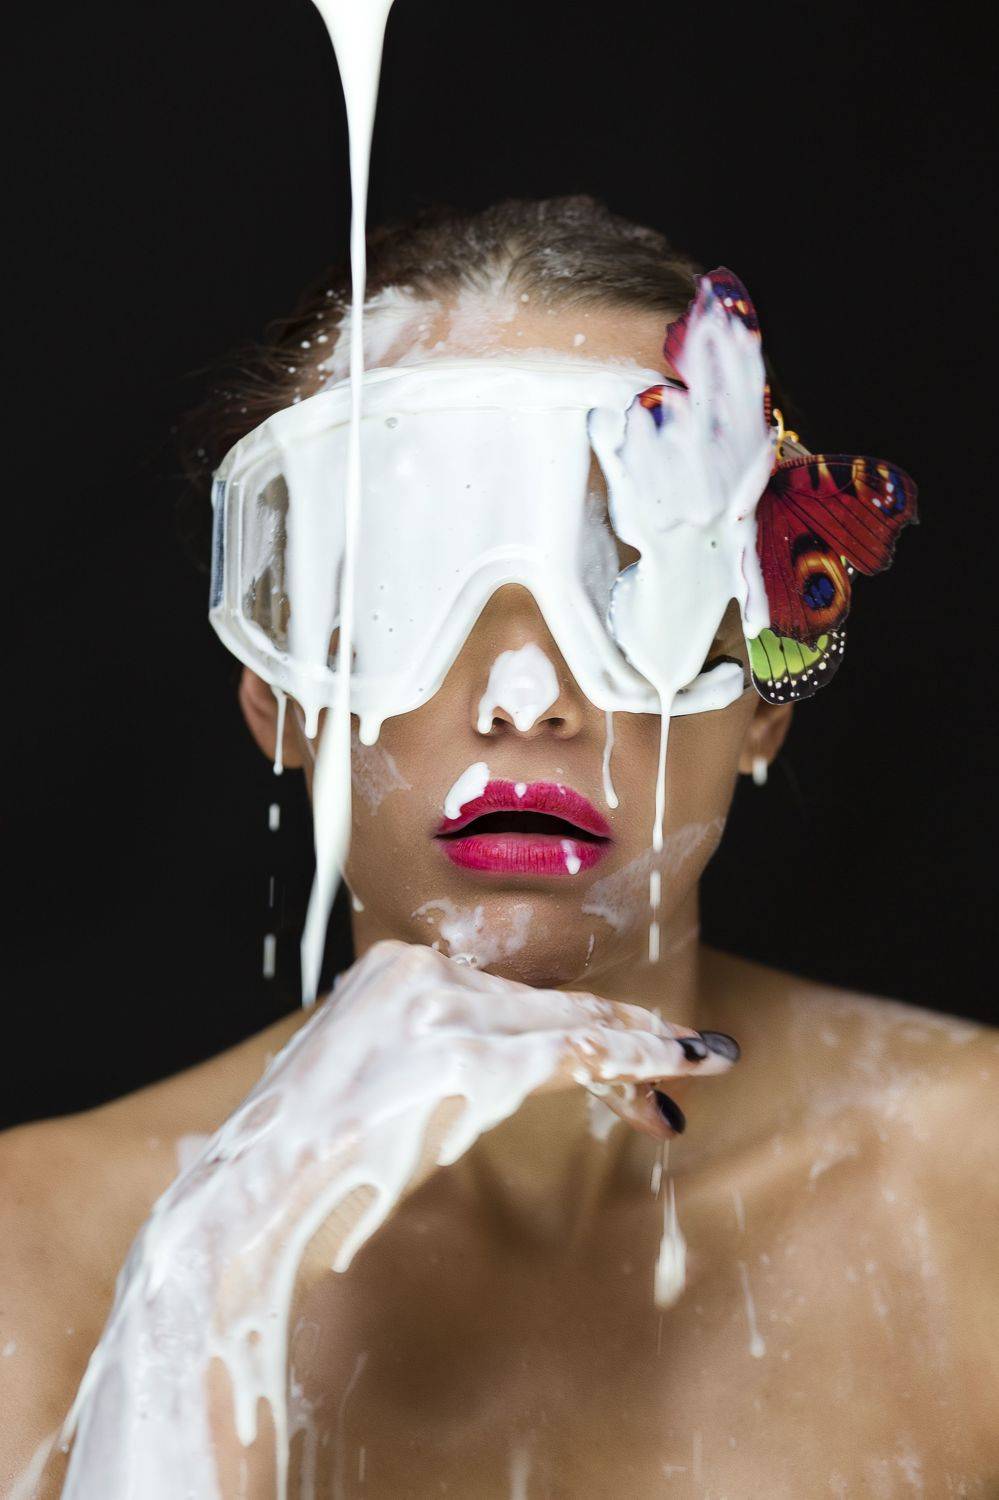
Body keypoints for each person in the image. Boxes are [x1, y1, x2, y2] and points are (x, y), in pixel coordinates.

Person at [2, 198, 996, 1498]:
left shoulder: (974, 1198)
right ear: (279, 693)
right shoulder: (30, 1263)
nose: (528, 697)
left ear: (763, 698)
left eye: (636, 573)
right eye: (408, 581)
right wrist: (205, 1281)